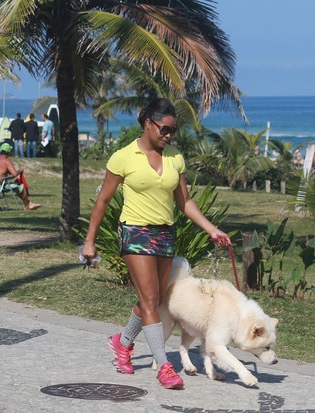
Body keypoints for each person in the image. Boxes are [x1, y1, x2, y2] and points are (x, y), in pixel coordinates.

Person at [81, 98, 230, 390]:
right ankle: (164, 366)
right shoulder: (123, 157)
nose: (168, 135)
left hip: (165, 234)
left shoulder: (175, 158)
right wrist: (90, 241)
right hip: (134, 232)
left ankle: (121, 343)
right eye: (164, 128)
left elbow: (184, 201)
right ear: (148, 124)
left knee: (157, 299)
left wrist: (212, 229)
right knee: (150, 299)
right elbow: (103, 201)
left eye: (173, 130)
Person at [0, 142, 41, 211]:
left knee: (16, 185)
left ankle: (29, 203)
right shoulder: (6, 160)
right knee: (21, 186)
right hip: (0, 185)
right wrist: (20, 170)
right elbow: (14, 174)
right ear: (8, 152)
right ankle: (27, 206)